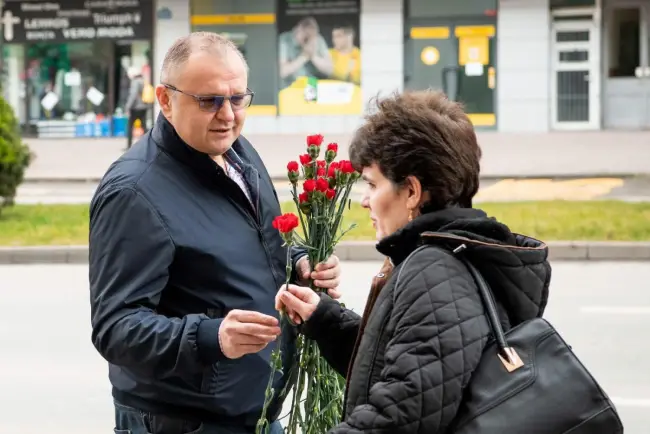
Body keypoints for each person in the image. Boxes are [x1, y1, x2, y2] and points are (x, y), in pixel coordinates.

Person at [89, 32, 343, 434]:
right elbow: (116, 328)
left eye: (238, 98)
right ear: (165, 100)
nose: (228, 114)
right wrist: (212, 336)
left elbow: (252, 243)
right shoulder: (133, 193)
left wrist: (298, 263)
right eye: (209, 101)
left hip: (254, 412)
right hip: (184, 421)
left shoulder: (237, 152)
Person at [275, 90, 552, 433]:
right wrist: (325, 320)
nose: (364, 201)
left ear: (411, 192)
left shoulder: (436, 270)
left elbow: (402, 414)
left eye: (372, 185)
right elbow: (410, 371)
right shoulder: (456, 253)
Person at [278, 17, 333, 89]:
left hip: (311, 83)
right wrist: (304, 56)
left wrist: (313, 56)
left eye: (312, 37)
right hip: (290, 85)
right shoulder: (284, 40)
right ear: (298, 30)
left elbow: (329, 70)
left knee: (313, 96)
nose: (310, 41)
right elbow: (282, 72)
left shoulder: (318, 39)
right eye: (306, 37)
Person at [124, 65, 152, 149]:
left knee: (130, 126)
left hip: (135, 108)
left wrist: (127, 106)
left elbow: (133, 95)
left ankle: (129, 146)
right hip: (144, 107)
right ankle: (149, 144)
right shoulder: (143, 80)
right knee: (144, 126)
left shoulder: (135, 82)